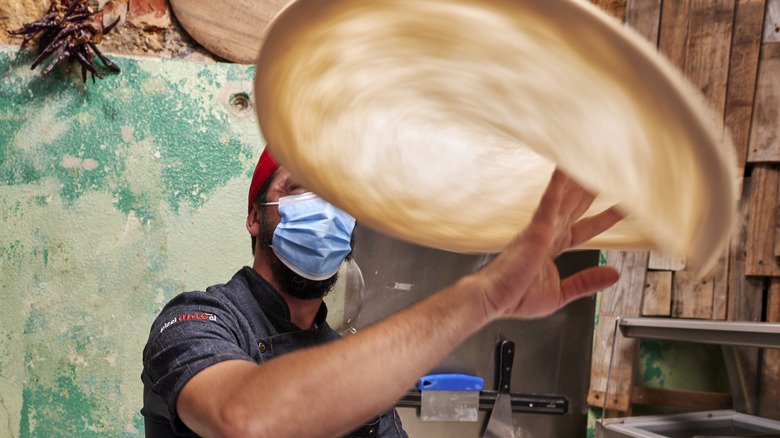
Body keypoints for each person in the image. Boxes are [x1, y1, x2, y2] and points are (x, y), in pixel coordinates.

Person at [141, 148, 623, 438]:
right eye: (299, 189)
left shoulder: (348, 362)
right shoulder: (198, 322)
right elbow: (244, 419)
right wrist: (480, 298)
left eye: (339, 200)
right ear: (255, 216)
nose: (325, 212)